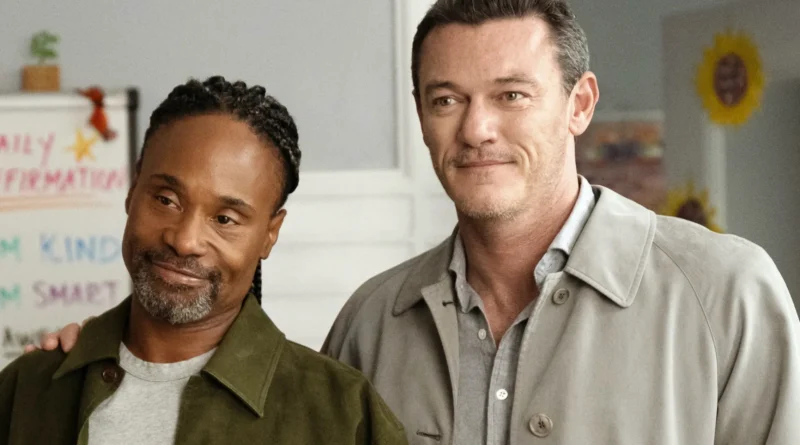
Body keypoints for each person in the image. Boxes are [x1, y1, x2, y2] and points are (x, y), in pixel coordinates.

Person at [29, 1, 800, 444]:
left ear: (580, 103)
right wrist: (106, 350)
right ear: (422, 116)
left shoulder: (726, 297)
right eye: (446, 99)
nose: (477, 129)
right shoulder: (371, 325)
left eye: (511, 95)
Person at [0, 76, 407, 445]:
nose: (185, 240)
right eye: (166, 200)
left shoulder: (343, 416)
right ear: (132, 190)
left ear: (270, 234)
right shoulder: (28, 390)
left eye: (225, 219)